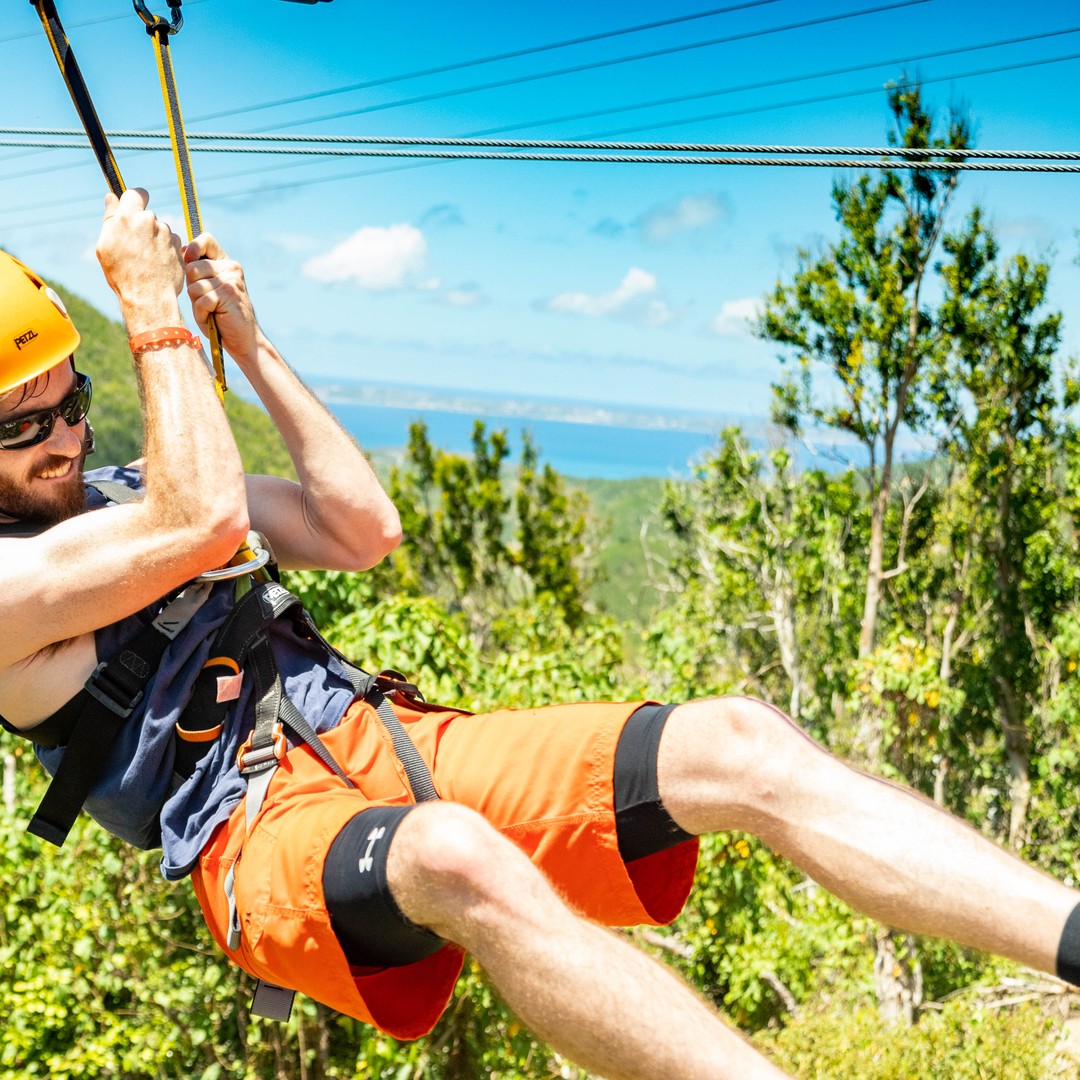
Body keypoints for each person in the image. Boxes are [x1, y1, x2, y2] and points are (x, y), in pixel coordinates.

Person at [1, 188, 1078, 1080]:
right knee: (455, 851)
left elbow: (360, 526)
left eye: (70, 403)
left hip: (369, 732)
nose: (61, 440)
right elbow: (207, 519)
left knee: (738, 743)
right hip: (248, 832)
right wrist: (153, 311)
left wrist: (251, 342)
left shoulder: (130, 489)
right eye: (21, 426)